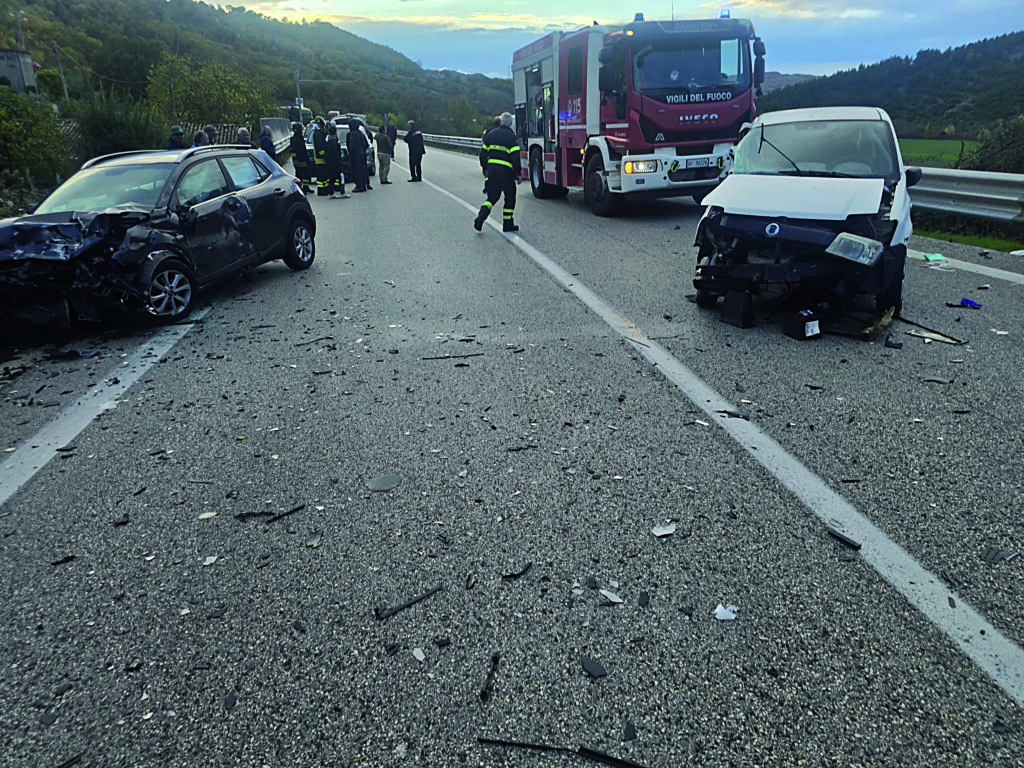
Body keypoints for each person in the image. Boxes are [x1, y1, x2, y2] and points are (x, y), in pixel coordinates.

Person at [474, 111, 522, 233]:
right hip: (506, 172)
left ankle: (481, 216)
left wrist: (485, 168)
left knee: (492, 197)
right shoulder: (511, 137)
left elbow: (482, 154)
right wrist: (518, 174)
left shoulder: (491, 134)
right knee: (510, 197)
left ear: (500, 122)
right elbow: (515, 157)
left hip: (492, 171)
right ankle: (507, 224)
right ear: (510, 124)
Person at [324, 122, 348, 199]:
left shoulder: (327, 140)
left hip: (329, 163)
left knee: (332, 178)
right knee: (341, 177)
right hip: (336, 163)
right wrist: (339, 162)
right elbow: (336, 153)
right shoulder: (335, 141)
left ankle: (331, 192)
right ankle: (342, 192)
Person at [346, 119, 370, 192]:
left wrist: (350, 152)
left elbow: (352, 146)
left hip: (355, 156)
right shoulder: (360, 133)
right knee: (362, 170)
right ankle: (363, 185)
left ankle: (359, 186)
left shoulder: (353, 134)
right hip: (362, 155)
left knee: (356, 171)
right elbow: (366, 144)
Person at [289, 122, 312, 194]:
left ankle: (306, 187)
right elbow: (293, 151)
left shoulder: (299, 138)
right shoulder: (295, 139)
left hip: (304, 159)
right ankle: (299, 188)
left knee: (306, 174)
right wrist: (295, 159)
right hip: (299, 161)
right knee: (300, 175)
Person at [311, 118, 328, 196]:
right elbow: (319, 147)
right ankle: (321, 190)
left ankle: (324, 188)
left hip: (320, 158)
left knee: (323, 174)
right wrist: (324, 156)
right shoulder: (318, 134)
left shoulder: (318, 133)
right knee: (321, 175)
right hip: (320, 158)